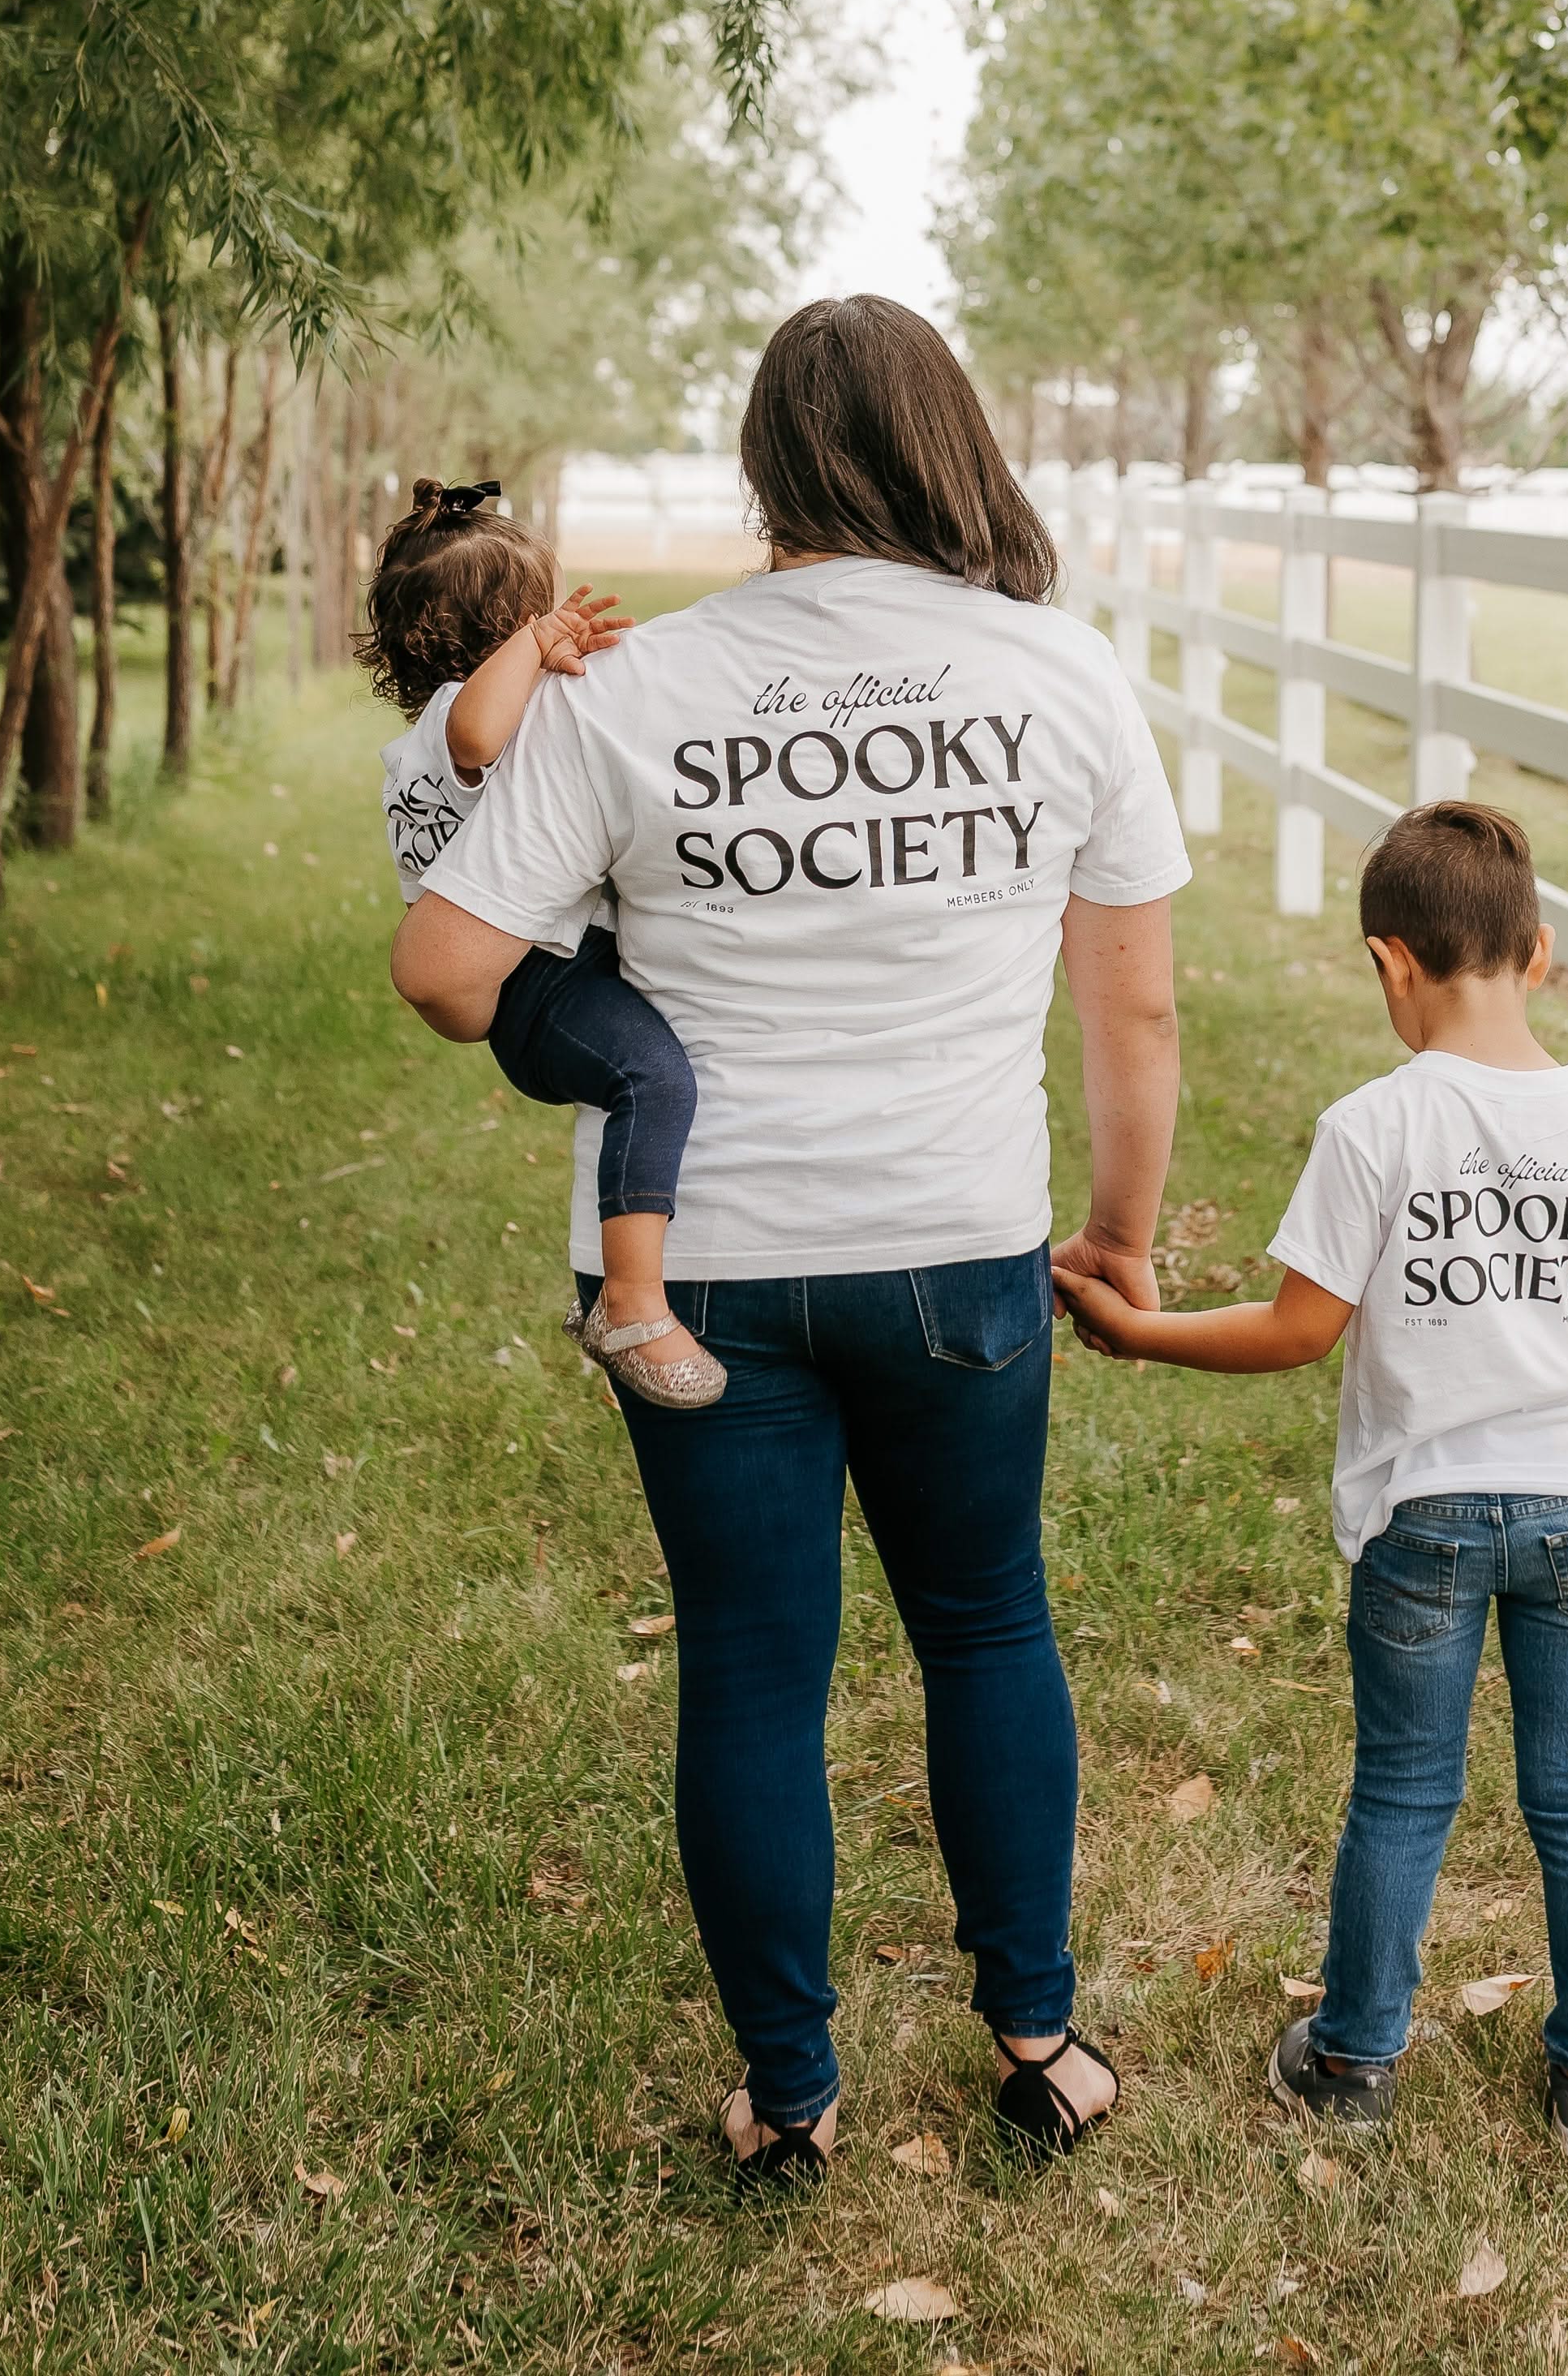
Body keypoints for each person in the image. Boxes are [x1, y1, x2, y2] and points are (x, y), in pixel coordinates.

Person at [388, 297, 1188, 2185]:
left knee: (753, 1664)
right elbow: (1134, 1013)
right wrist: (1120, 1236)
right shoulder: (1057, 672)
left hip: (705, 1262)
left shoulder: (635, 683)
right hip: (959, 1244)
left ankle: (788, 2093)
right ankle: (1040, 2037)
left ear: (765, 469)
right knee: (986, 1621)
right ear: (948, 444)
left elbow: (442, 969)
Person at [1055, 802, 1568, 2164]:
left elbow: (1299, 1329)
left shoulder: (1375, 1127)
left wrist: (1143, 1333)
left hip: (1433, 1517)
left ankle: (1352, 2061)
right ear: (1539, 955)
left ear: (1388, 962)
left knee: (1406, 1789)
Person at [364, 479, 724, 1406]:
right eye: (539, 616)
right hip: (538, 978)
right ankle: (631, 1305)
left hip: (525, 986)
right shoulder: (459, 716)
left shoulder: (416, 743)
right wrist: (536, 649)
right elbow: (484, 727)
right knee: (656, 1079)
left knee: (641, 1083)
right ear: (505, 627)